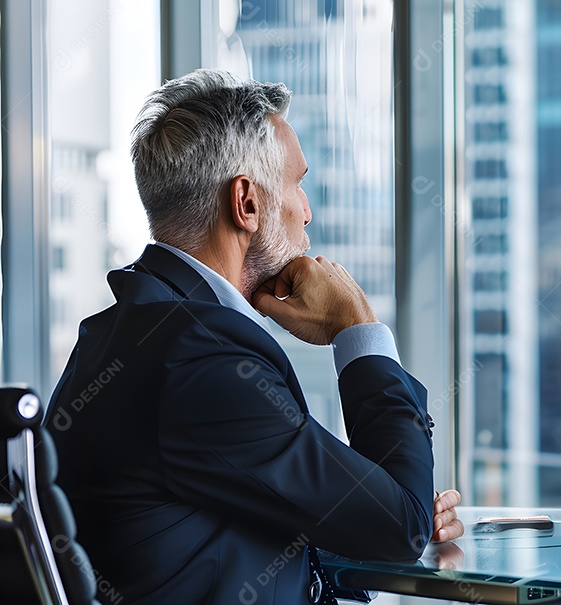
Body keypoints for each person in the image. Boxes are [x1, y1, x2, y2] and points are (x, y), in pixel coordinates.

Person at [46, 69, 462, 605]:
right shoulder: (201, 358)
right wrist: (357, 328)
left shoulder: (121, 333)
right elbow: (400, 524)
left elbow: (239, 514)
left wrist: (369, 508)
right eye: (298, 183)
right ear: (246, 202)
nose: (307, 211)